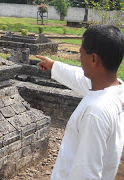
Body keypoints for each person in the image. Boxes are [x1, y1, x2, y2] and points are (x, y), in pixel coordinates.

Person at [36, 24, 124, 180]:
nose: (79, 58)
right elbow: (79, 77)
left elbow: (87, 174)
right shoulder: (116, 90)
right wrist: (54, 65)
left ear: (94, 58)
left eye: (81, 53)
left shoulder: (95, 112)